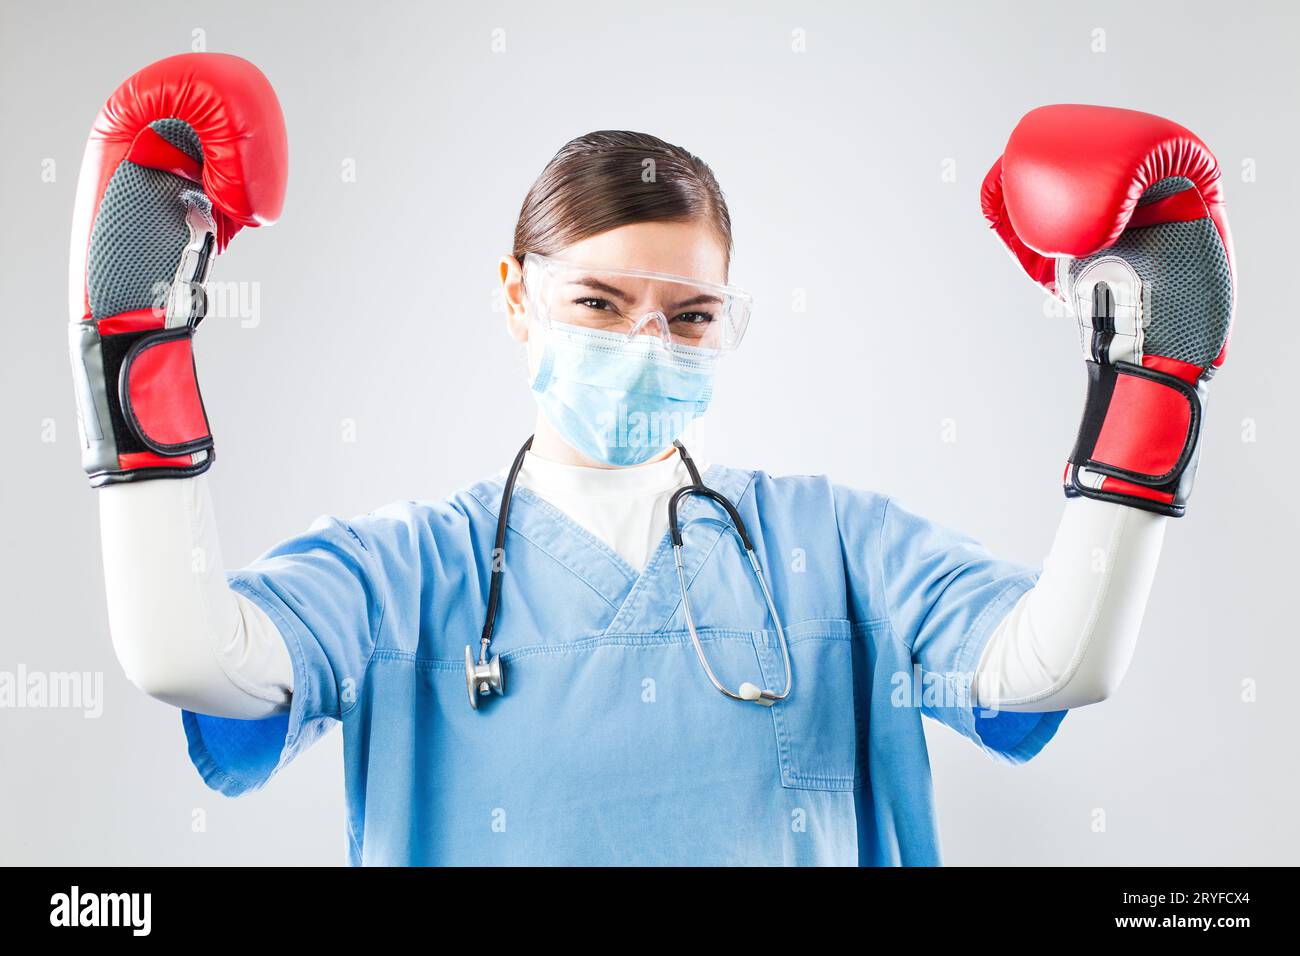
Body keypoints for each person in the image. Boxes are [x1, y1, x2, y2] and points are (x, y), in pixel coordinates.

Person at [69, 55, 1235, 866]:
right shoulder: (405, 572)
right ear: (515, 298)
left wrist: (1149, 374)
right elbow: (182, 654)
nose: (646, 344)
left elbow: (1054, 664)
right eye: (598, 301)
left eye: (688, 315)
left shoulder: (830, 545)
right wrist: (131, 332)